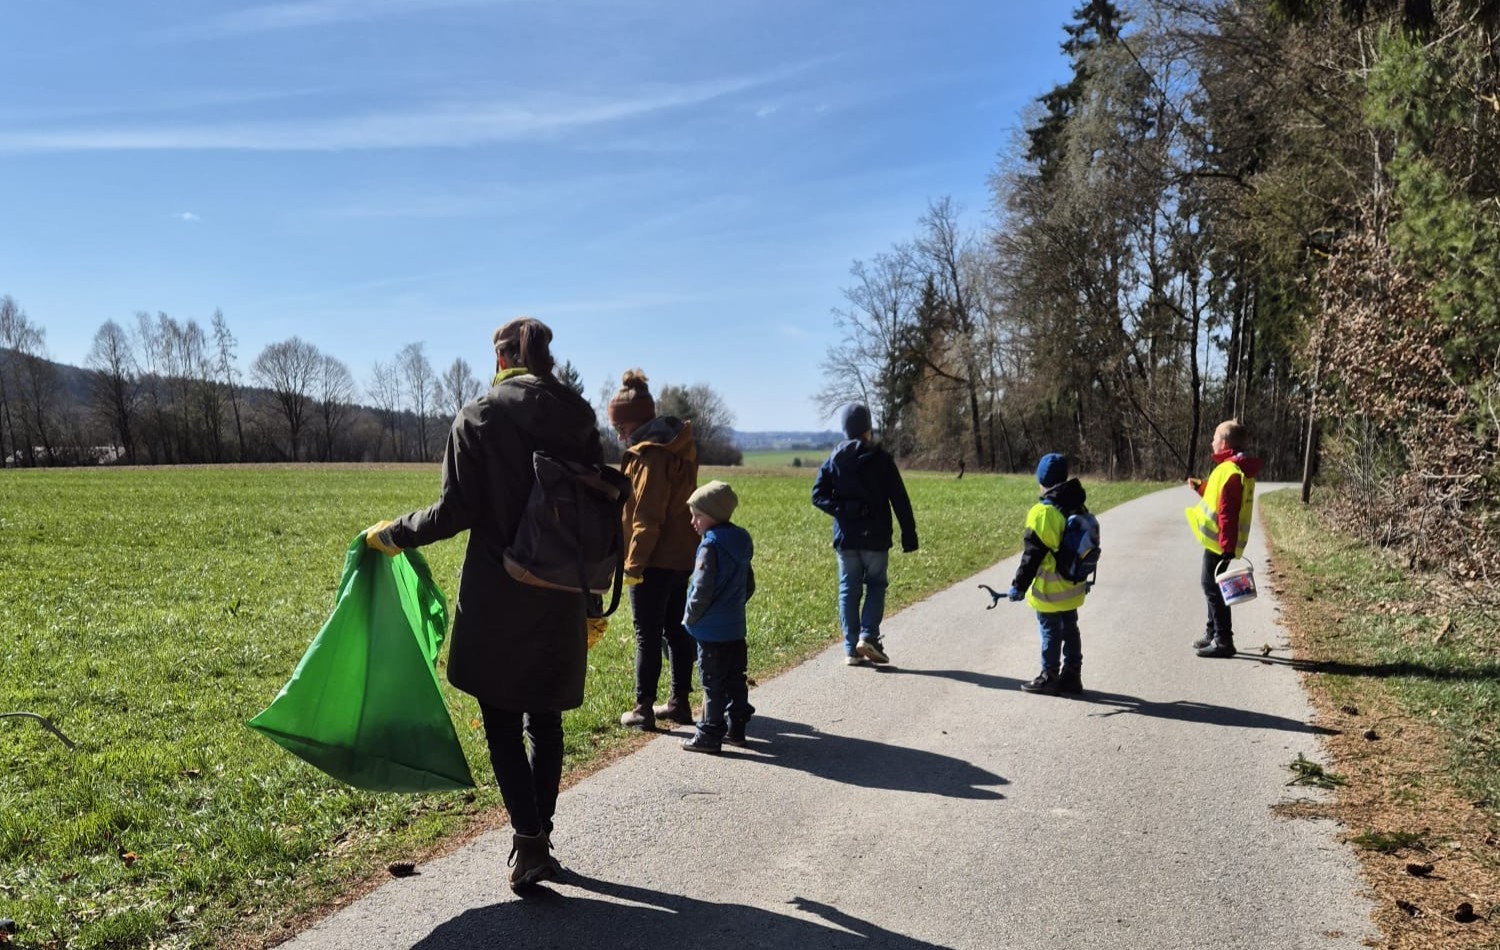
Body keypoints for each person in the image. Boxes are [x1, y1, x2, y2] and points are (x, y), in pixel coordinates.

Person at [362, 317, 600, 892]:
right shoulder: (580, 416)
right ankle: (538, 836)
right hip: (563, 591)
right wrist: (592, 599)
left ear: (500, 360)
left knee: (501, 721)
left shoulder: (480, 415)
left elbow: (454, 512)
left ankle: (530, 839)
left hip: (500, 596)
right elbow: (594, 513)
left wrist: (394, 533)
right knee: (545, 717)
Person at [608, 369, 700, 730]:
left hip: (654, 559)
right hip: (682, 555)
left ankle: (643, 707)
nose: (619, 435)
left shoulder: (649, 456)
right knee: (677, 629)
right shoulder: (677, 446)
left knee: (647, 633)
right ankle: (679, 702)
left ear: (635, 422)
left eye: (620, 427)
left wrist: (633, 565)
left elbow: (647, 517)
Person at [811, 402, 918, 667]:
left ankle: (852, 649)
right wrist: (909, 533)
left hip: (846, 537)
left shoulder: (834, 459)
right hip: (876, 537)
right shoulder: (882, 460)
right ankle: (868, 635)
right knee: (876, 585)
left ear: (845, 429)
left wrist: (845, 509)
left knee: (848, 589)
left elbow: (818, 495)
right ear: (868, 429)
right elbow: (899, 498)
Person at [679, 480, 756, 753]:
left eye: (697, 516)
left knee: (712, 683)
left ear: (714, 514)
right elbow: (749, 585)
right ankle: (737, 729)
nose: (693, 522)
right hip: (735, 627)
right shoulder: (741, 541)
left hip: (710, 630)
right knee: (736, 678)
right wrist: (733, 606)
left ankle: (709, 734)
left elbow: (701, 589)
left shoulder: (710, 546)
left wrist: (690, 618)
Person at [1007, 453, 1092, 695]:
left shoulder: (1042, 513)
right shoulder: (1078, 506)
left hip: (1050, 590)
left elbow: (1031, 557)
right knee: (1071, 628)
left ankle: (1049, 675)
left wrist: (1018, 586)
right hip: (1074, 585)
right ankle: (1072, 675)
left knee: (1050, 630)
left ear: (1042, 481)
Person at [1185, 419, 1263, 658]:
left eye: (1215, 437)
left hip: (1220, 543)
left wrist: (1227, 547)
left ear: (1225, 443)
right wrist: (1200, 487)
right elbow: (1217, 497)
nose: (1212, 441)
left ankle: (1223, 640)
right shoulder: (1234, 468)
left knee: (1211, 587)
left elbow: (1228, 512)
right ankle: (1213, 632)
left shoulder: (1230, 471)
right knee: (1212, 585)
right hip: (1221, 542)